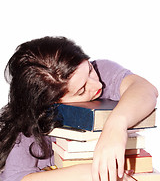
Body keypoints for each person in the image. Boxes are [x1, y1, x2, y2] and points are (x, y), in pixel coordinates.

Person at [0, 36, 158, 181]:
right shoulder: (29, 124)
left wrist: (115, 126)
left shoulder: (102, 72)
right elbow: (15, 178)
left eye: (89, 69)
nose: (97, 85)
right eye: (81, 90)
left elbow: (145, 89)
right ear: (52, 103)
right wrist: (91, 172)